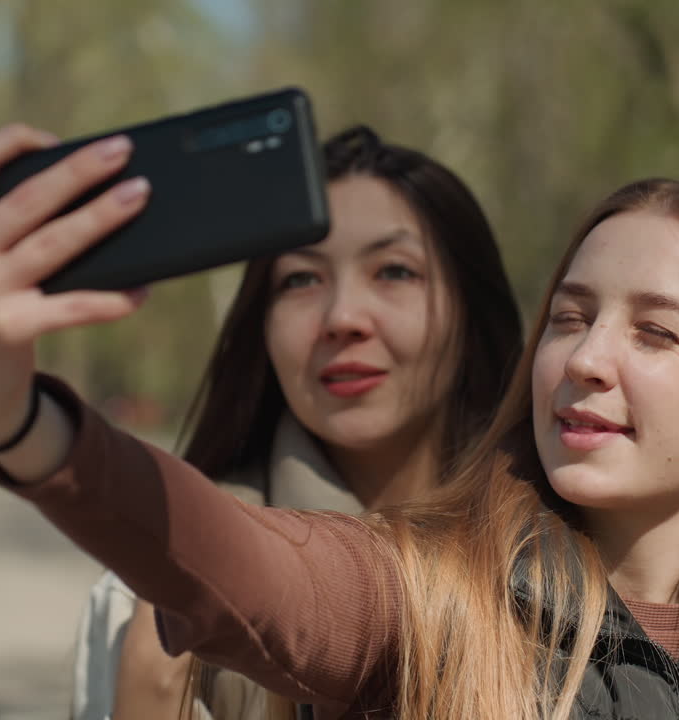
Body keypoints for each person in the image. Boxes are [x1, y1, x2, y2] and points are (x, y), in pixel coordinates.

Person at [0, 120, 679, 719]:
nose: (586, 358)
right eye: (568, 317)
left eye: (655, 332)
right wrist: (14, 419)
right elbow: (249, 568)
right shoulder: (423, 599)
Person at [68, 125, 523, 720]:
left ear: (471, 311)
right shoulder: (159, 594)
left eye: (394, 271)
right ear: (263, 324)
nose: (342, 318)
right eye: (301, 279)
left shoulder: (567, 571)